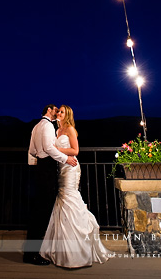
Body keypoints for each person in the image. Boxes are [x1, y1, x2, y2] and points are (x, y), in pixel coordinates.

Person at [40, 105, 110, 268]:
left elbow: (75, 150)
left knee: (69, 197)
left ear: (67, 115)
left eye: (62, 112)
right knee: (62, 201)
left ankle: (78, 250)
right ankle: (62, 248)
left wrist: (58, 149)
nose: (59, 113)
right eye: (58, 111)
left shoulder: (70, 129)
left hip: (70, 167)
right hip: (60, 168)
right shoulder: (56, 131)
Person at [23, 104, 78, 266]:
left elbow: (32, 150)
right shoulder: (47, 126)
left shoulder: (36, 126)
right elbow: (48, 148)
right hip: (46, 169)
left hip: (39, 168)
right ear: (49, 110)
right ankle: (33, 254)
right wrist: (65, 159)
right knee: (42, 212)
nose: (57, 113)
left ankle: (31, 252)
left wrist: (37, 161)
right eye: (56, 110)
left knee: (37, 211)